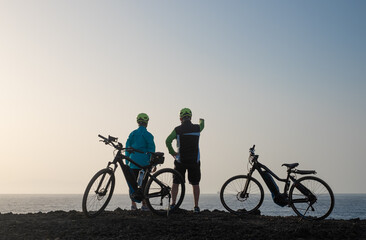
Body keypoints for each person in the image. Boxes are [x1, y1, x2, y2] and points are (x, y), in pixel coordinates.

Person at [166, 108, 204, 213]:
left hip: (180, 161)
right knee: (195, 183)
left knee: (176, 182)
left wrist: (172, 152)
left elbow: (168, 140)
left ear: (180, 118)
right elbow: (202, 124)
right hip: (194, 160)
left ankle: (173, 204)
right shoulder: (197, 128)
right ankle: (196, 207)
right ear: (190, 117)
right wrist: (202, 120)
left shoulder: (177, 129)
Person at [125, 113, 155, 211]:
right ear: (147, 123)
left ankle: (133, 205)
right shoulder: (148, 135)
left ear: (137, 122)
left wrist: (126, 161)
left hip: (133, 162)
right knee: (144, 184)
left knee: (132, 184)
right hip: (144, 163)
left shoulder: (132, 133)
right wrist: (153, 163)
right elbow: (151, 150)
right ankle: (144, 205)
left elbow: (127, 147)